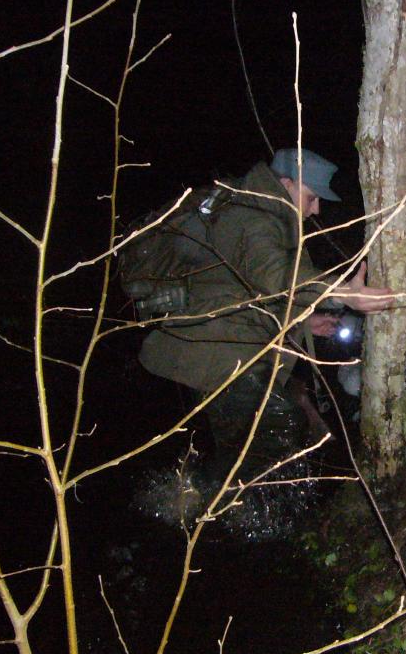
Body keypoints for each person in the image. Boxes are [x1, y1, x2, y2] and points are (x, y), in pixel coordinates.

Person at [138, 147, 392, 502]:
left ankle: (195, 503)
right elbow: (276, 276)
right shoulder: (254, 216)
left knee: (250, 446)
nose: (316, 209)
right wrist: (341, 292)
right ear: (286, 184)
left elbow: (249, 290)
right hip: (221, 353)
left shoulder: (263, 212)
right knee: (276, 427)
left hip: (227, 348)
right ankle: (211, 510)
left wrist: (306, 321)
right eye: (312, 197)